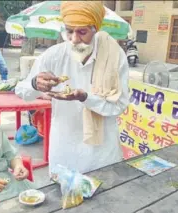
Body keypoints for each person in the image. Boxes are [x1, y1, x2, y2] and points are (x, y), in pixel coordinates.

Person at [15, 1, 129, 174]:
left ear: (95, 29)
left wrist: (85, 98)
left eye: (82, 32)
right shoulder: (54, 55)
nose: (74, 39)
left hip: (101, 151)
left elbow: (119, 105)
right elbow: (22, 91)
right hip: (65, 147)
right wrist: (34, 84)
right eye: (69, 31)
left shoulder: (115, 57)